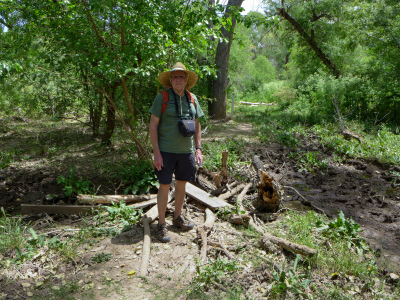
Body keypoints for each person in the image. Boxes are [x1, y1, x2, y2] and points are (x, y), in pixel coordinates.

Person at [149, 62, 204, 243]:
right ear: (170, 80)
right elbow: (153, 125)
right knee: (164, 186)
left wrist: (198, 148)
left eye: (181, 76)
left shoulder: (192, 98)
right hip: (165, 151)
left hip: (186, 152)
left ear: (186, 80)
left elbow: (197, 125)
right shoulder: (162, 98)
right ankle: (162, 224)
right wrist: (156, 152)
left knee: (182, 184)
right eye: (175, 76)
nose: (178, 79)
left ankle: (177, 218)